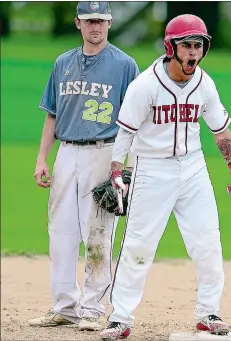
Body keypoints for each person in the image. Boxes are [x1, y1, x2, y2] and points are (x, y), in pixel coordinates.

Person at [100, 14, 231, 341]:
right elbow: (124, 133)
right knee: (139, 245)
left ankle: (208, 312)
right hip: (152, 168)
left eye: (198, 45)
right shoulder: (146, 85)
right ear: (171, 47)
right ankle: (120, 318)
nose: (193, 52)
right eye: (187, 45)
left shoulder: (204, 83)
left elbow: (220, 129)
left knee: (208, 241)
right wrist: (117, 171)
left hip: (193, 168)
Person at [29, 1, 139, 331]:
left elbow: (135, 120)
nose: (96, 26)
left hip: (105, 152)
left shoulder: (125, 64)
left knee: (98, 232)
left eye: (101, 20)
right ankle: (65, 306)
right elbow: (52, 114)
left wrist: (127, 167)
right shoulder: (63, 63)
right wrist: (41, 158)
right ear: (78, 23)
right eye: (89, 20)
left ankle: (92, 308)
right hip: (66, 152)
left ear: (110, 23)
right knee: (60, 231)